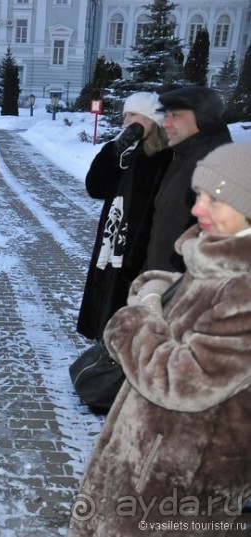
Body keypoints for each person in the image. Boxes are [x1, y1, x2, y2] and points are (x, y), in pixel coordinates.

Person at [69, 142, 251, 536]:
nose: (197, 209)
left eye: (215, 200)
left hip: (179, 480)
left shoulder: (244, 290)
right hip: (153, 458)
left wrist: (134, 322)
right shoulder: (217, 262)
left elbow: (182, 381)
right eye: (199, 194)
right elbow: (205, 320)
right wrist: (166, 289)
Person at [76, 92, 172, 343]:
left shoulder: (166, 156)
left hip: (137, 250)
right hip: (111, 243)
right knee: (105, 307)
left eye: (132, 114)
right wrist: (113, 150)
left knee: (126, 317)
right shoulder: (122, 151)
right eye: (124, 115)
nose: (125, 121)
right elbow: (94, 188)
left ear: (151, 118)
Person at [144, 85, 232, 273]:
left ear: (203, 119)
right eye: (166, 116)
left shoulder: (219, 166)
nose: (165, 123)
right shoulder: (183, 157)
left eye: (175, 116)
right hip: (160, 285)